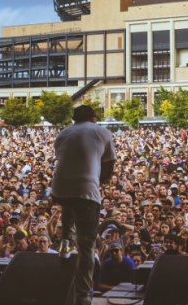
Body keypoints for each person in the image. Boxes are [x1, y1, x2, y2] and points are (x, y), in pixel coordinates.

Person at [52, 104, 117, 305]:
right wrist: (97, 181)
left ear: (74, 119)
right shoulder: (103, 132)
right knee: (88, 245)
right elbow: (108, 170)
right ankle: (83, 297)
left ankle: (65, 239)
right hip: (86, 190)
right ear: (93, 118)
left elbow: (66, 160)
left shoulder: (63, 133)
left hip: (59, 188)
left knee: (69, 200)